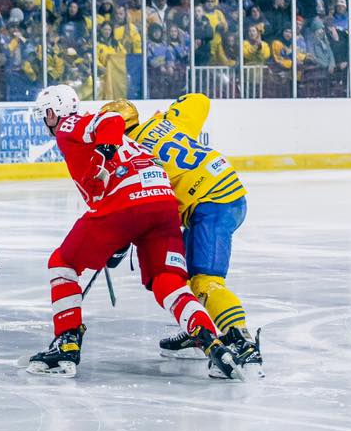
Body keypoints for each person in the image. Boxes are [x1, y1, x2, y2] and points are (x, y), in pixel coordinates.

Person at [26, 84, 244, 380]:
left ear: (53, 112)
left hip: (128, 202)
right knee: (169, 281)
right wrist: (115, 240)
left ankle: (66, 344)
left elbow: (110, 122)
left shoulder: (70, 124)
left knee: (62, 264)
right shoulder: (136, 140)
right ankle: (213, 345)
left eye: (45, 115)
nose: (45, 121)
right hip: (163, 202)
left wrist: (103, 151)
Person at [105, 94, 262, 374]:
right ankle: (199, 331)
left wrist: (116, 246)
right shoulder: (165, 123)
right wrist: (170, 113)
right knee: (186, 276)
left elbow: (138, 206)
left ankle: (242, 342)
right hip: (224, 192)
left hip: (212, 205)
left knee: (206, 282)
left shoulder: (131, 154)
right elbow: (199, 100)